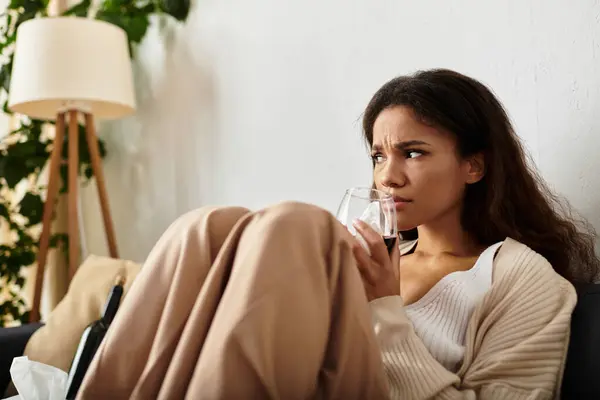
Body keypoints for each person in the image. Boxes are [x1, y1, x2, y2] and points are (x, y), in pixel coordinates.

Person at [77, 69, 599, 399]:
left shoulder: (521, 277)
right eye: (378, 155)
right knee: (209, 226)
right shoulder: (374, 253)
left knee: (297, 224)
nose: (386, 176)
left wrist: (384, 310)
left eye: (412, 153)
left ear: (474, 166)